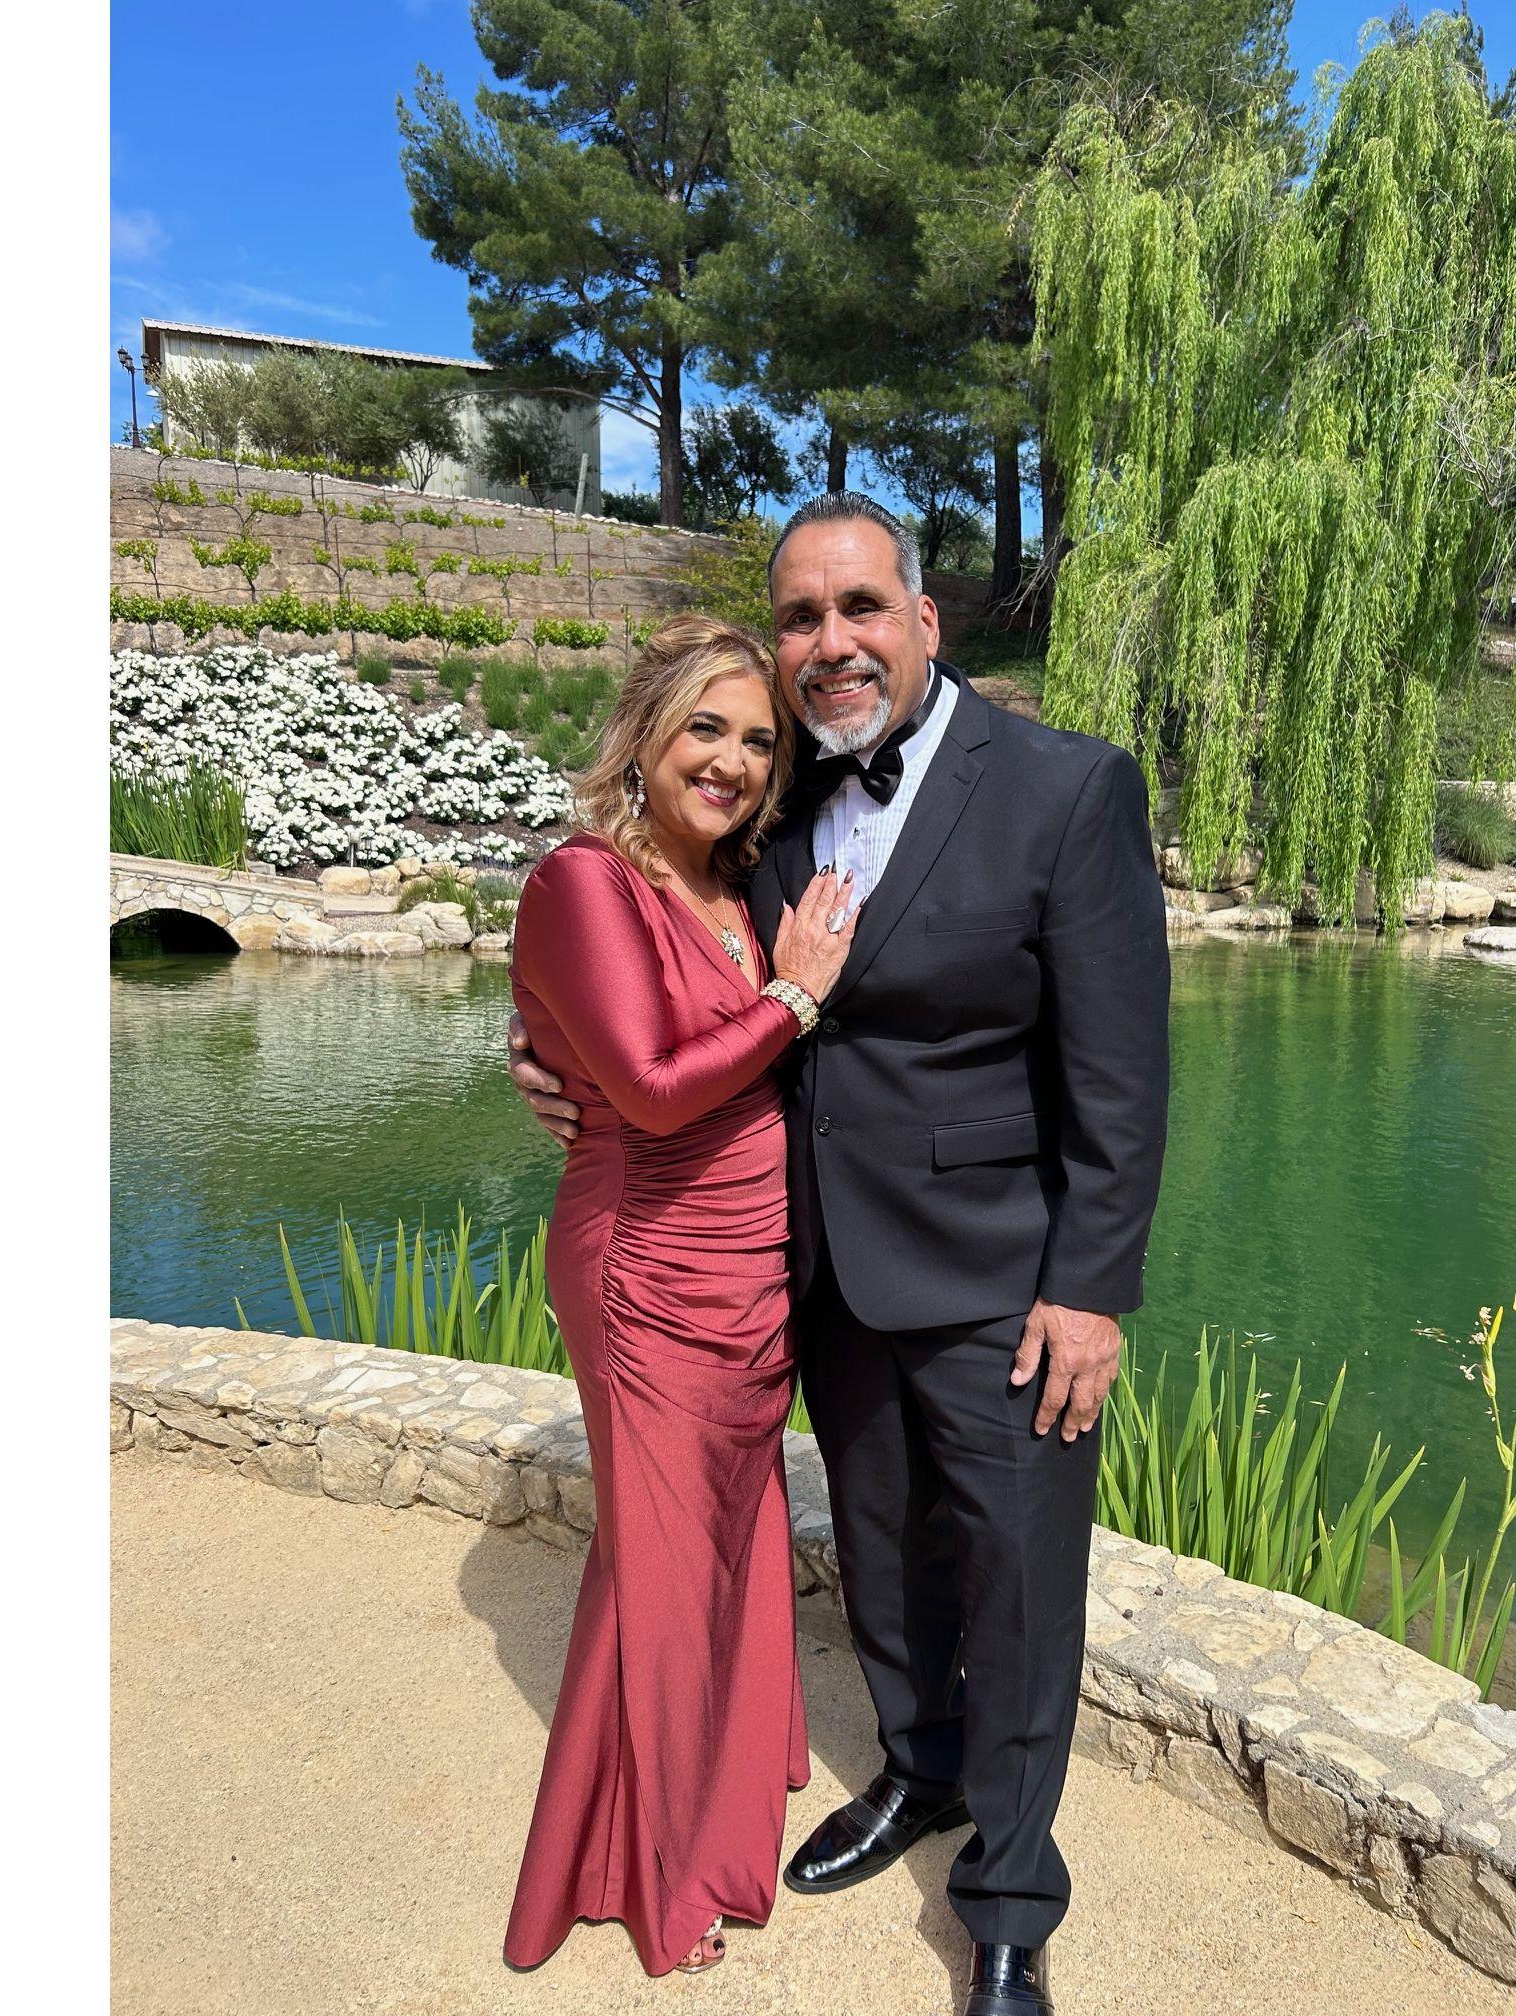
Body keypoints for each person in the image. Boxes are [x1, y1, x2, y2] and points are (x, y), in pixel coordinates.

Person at [510, 494, 1170, 2016]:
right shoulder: (773, 795)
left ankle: (1010, 1897)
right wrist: (543, 1053)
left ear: (923, 619)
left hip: (1004, 1280)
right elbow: (648, 955)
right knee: (881, 1555)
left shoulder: (1066, 788)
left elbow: (1122, 1076)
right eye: (801, 617)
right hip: (815, 1270)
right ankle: (918, 1771)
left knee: (1017, 1586)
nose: (832, 642)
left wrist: (1090, 1290)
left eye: (861, 606)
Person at [499, 612, 860, 1978]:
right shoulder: (584, 879)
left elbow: (611, 1030)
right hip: (646, 1267)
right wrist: (797, 999)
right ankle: (659, 1875)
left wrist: (538, 1037)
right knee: (658, 1568)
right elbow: (651, 1091)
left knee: (718, 1543)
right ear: (644, 734)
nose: (732, 761)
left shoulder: (739, 887)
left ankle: (711, 1774)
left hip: (749, 1272)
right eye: (705, 727)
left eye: (759, 742)